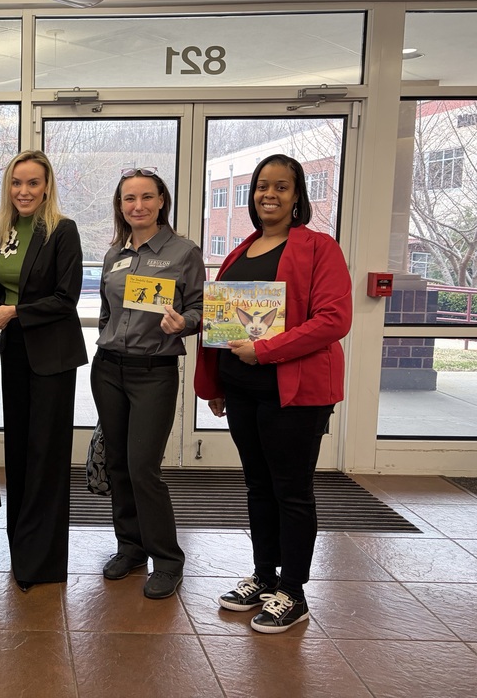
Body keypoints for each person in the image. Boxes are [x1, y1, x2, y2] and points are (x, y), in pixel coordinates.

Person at [194, 153, 351, 633]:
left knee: (292, 491)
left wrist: (264, 351)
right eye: (263, 186)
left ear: (297, 195)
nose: (270, 194)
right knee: (258, 486)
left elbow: (333, 320)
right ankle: (264, 576)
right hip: (242, 390)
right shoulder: (240, 252)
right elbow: (223, 322)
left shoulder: (320, 248)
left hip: (295, 394)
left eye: (281, 187)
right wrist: (216, 382)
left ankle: (293, 591)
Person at [90, 167, 204, 600]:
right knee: (118, 463)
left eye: (146, 197)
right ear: (120, 206)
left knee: (143, 468)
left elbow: (201, 309)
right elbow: (107, 312)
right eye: (128, 198)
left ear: (161, 202)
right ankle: (131, 548)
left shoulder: (183, 252)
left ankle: (168, 561)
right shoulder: (114, 254)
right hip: (108, 369)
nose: (137, 206)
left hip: (153, 372)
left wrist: (184, 323)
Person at [0, 150, 86, 592]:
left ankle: (42, 562)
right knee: (21, 452)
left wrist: (15, 312)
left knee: (46, 455)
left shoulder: (63, 230)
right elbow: (0, 285)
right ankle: (20, 547)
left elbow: (66, 298)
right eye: (16, 183)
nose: (23, 191)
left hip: (52, 356)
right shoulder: (3, 231)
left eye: (32, 183)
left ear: (47, 188)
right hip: (16, 352)